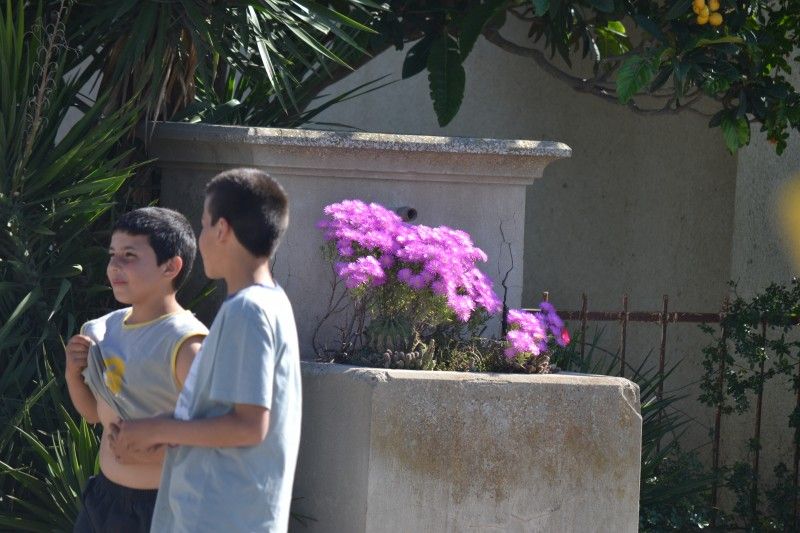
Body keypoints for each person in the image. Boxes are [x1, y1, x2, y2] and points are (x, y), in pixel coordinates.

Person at [111, 168, 302, 533]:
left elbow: (249, 426)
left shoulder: (248, 311)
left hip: (221, 517)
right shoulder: (269, 303)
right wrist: (159, 430)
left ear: (222, 230)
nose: (200, 238)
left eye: (203, 225)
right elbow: (223, 412)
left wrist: (158, 430)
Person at [65, 207, 208, 533]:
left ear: (170, 266)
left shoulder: (186, 344)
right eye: (112, 254)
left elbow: (219, 435)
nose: (115, 265)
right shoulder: (102, 332)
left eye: (129, 255)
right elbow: (94, 415)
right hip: (103, 500)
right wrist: (73, 376)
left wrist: (150, 451)